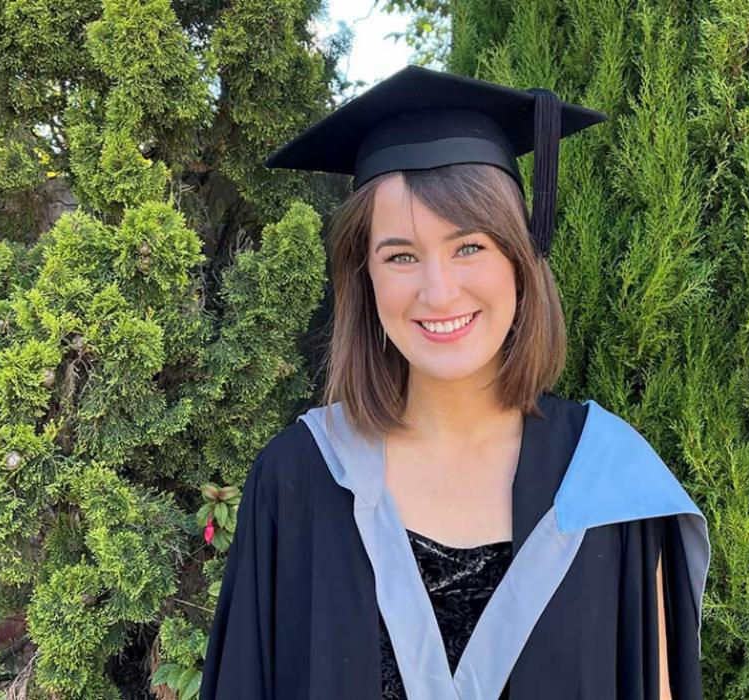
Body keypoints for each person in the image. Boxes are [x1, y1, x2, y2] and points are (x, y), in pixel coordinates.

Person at [200, 64, 709, 700]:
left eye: (470, 246)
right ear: (365, 276)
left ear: (521, 260)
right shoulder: (298, 480)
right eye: (401, 255)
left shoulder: (609, 483)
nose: (438, 292)